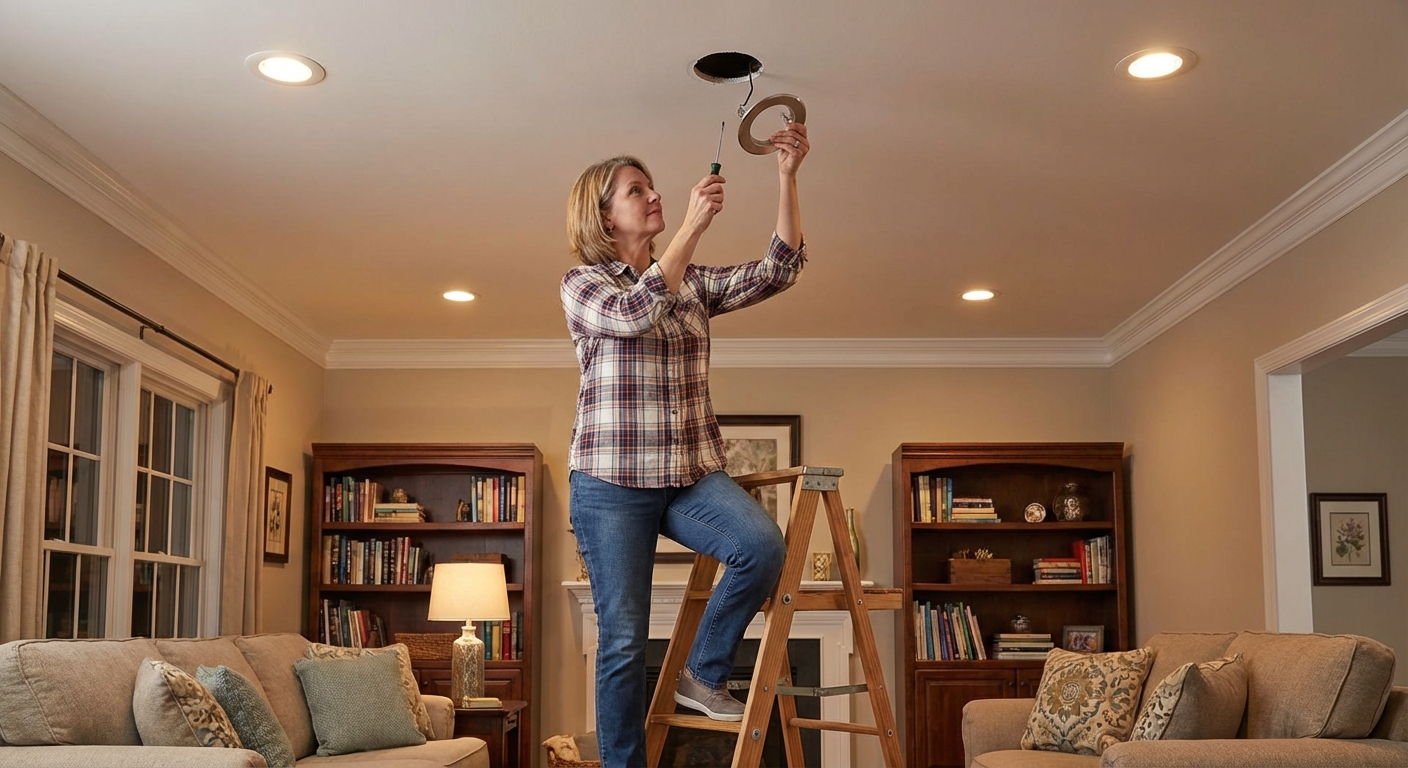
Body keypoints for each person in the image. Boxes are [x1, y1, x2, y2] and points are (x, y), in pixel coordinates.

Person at [562, 121, 810, 768]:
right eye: (635, 190)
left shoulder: (694, 285)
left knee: (762, 547)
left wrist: (787, 175)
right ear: (604, 216)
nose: (653, 196)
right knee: (621, 641)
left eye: (651, 187)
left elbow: (779, 270)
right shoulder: (585, 285)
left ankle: (702, 673)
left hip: (685, 475)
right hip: (611, 485)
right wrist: (691, 228)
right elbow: (637, 313)